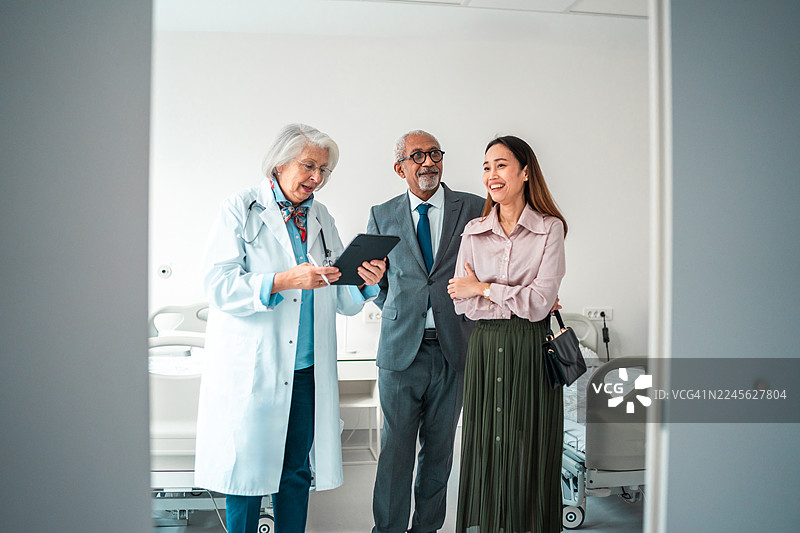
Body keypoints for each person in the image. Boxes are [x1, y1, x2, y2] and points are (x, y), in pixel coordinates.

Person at [194, 123, 386, 533]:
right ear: (280, 163)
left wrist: (367, 280)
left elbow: (340, 293)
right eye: (309, 165)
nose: (316, 177)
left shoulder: (320, 216)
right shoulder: (240, 207)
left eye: (324, 170)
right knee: (244, 476)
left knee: (296, 472)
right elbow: (219, 285)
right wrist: (283, 280)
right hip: (256, 367)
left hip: (306, 371)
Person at [447, 135, 567, 533]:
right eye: (486, 167)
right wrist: (513, 296)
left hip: (530, 347)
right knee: (487, 444)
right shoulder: (473, 230)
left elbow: (538, 303)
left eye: (500, 165)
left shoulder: (549, 229)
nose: (491, 175)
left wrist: (484, 288)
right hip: (485, 345)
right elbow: (459, 302)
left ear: (525, 171)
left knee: (528, 444)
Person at [367, 130, 484, 533]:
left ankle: (427, 529)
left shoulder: (474, 208)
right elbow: (376, 283)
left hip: (454, 350)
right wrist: (403, 311)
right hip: (401, 355)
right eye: (417, 156)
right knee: (395, 454)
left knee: (439, 455)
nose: (428, 162)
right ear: (400, 168)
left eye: (434, 154)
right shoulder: (382, 214)